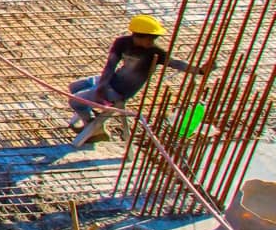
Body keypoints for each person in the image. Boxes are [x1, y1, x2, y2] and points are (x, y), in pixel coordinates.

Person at [69, 15, 213, 146]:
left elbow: (176, 63)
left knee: (74, 100)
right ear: (137, 36)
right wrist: (101, 86)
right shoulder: (122, 43)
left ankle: (93, 127)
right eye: (149, 38)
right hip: (109, 81)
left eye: (154, 39)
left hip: (120, 91)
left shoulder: (155, 53)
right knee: (74, 87)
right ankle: (93, 122)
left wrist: (199, 70)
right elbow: (110, 66)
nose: (152, 42)